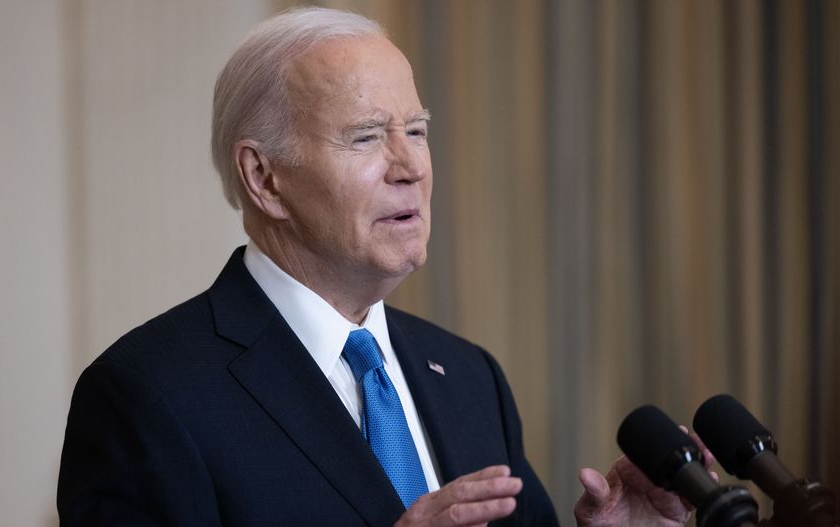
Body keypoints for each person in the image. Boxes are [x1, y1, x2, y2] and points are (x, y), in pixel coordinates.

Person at [58, 7, 706, 526]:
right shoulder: (146, 395)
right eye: (367, 136)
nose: (411, 166)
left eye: (417, 131)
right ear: (265, 178)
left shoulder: (469, 376)